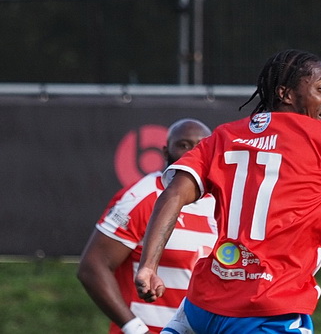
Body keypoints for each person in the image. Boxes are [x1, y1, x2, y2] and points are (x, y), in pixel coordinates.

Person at [135, 49, 321, 333]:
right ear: (285, 94)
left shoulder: (225, 135)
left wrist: (148, 267)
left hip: (201, 307)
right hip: (269, 308)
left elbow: (174, 193)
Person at [78, 118, 217, 334]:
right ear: (164, 152)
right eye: (183, 145)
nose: (192, 152)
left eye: (201, 145)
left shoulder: (220, 200)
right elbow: (92, 267)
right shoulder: (142, 197)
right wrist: (136, 330)